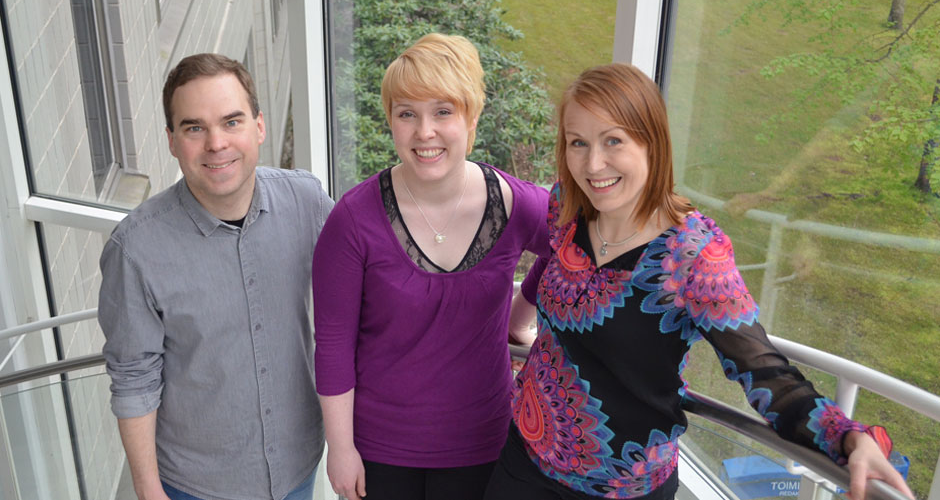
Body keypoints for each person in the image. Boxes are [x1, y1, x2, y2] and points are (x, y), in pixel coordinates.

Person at [483, 63, 914, 500]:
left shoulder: (692, 255)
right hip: (524, 461)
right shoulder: (567, 207)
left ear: (651, 142)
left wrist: (849, 438)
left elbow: (762, 370)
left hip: (623, 490)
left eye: (613, 140)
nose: (593, 164)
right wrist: (518, 321)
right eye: (578, 142)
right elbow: (553, 268)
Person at [312, 33, 551, 500]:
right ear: (391, 121)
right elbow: (334, 345)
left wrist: (519, 313)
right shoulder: (353, 220)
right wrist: (339, 449)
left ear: (472, 117)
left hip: (483, 443)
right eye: (407, 114)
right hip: (379, 451)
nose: (424, 132)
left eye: (443, 112)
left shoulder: (514, 204)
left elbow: (572, 251)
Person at [98, 53, 332, 500]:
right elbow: (133, 378)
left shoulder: (307, 202)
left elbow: (367, 294)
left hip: (299, 468)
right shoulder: (134, 250)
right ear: (172, 141)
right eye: (194, 128)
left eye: (231, 121)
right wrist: (148, 490)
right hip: (196, 485)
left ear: (259, 126)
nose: (216, 143)